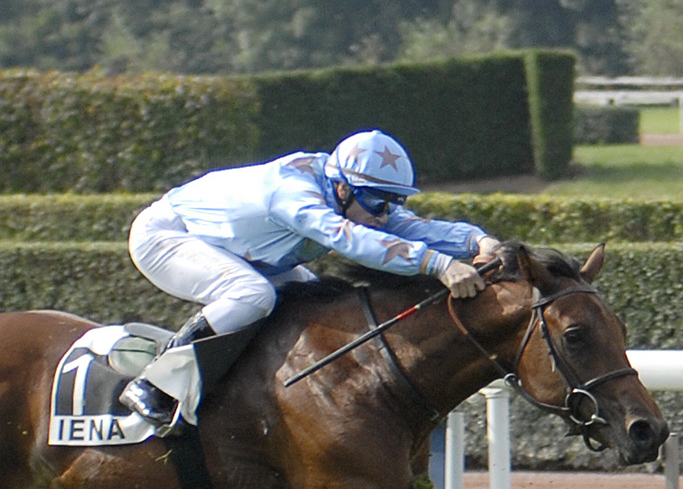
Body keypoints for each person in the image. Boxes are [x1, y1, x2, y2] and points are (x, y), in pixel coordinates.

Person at [120, 129, 500, 426]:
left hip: (242, 249)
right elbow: (349, 239)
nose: (385, 215)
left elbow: (409, 227)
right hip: (167, 235)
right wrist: (437, 264)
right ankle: (154, 384)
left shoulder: (351, 189)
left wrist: (477, 240)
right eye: (378, 204)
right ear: (341, 188)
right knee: (253, 296)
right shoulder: (294, 193)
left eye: (392, 202)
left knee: (313, 301)